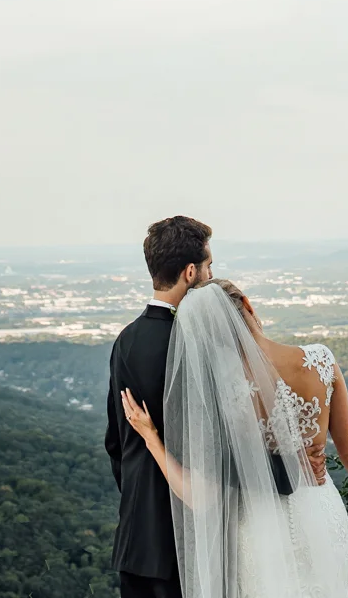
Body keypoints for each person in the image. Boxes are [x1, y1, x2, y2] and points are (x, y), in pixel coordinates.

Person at [120, 275, 348, 597]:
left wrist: (151, 439)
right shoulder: (320, 360)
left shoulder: (219, 389)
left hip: (257, 526)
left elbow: (201, 496)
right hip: (318, 510)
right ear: (247, 304)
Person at [106, 216, 215, 598]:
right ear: (190, 272)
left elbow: (115, 443)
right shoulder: (197, 344)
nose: (210, 275)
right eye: (208, 267)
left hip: (136, 540)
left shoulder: (126, 340)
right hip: (184, 543)